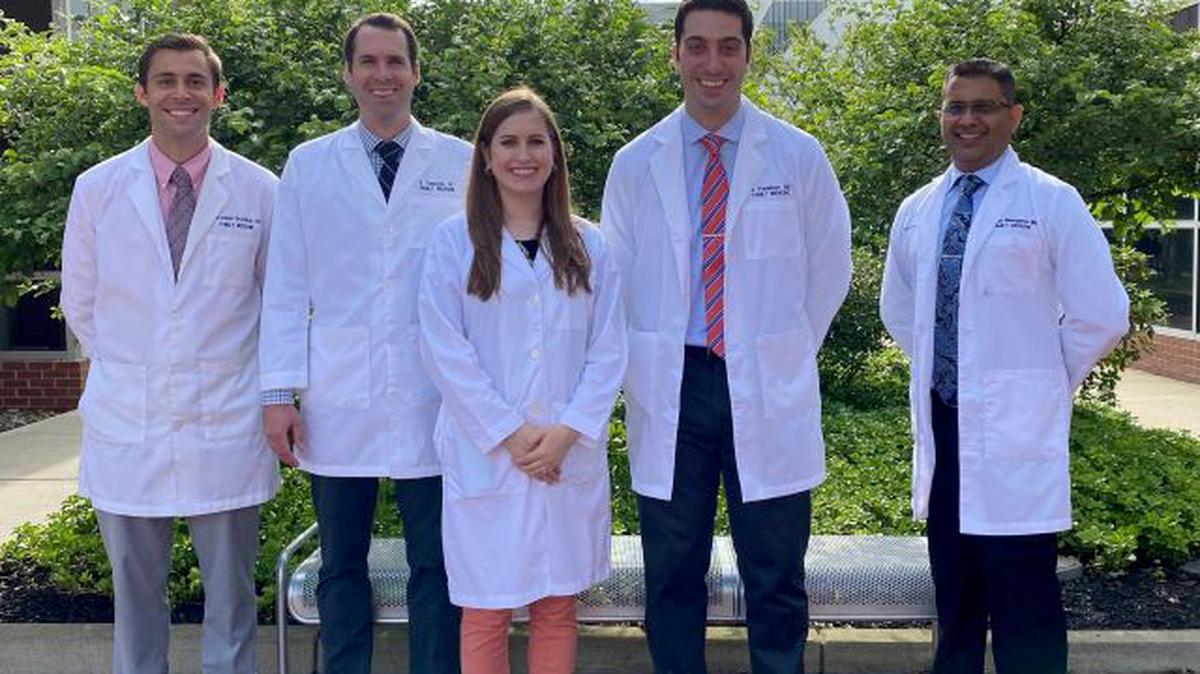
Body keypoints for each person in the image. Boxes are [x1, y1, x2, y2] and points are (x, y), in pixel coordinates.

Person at [600, 0, 851, 670]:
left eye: (728, 46)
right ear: (676, 54)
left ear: (747, 54)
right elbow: (615, 282)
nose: (713, 63)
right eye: (698, 46)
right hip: (671, 385)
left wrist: (780, 351)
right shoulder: (635, 163)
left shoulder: (797, 155)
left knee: (775, 570)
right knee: (672, 570)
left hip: (765, 383)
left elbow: (830, 269)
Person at [880, 58, 1130, 673]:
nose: (968, 119)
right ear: (942, 116)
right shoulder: (918, 207)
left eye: (984, 107)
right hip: (944, 423)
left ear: (1013, 117)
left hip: (1016, 431)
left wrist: (1037, 382)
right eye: (956, 107)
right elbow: (900, 308)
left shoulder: (1051, 200)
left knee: (1025, 607)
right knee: (956, 600)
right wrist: (952, 370)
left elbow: (1103, 314)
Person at [257, 12, 471, 674]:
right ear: (348, 74)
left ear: (416, 72)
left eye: (395, 61)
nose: (383, 75)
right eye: (369, 62)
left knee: (437, 562)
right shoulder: (309, 164)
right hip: (338, 392)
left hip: (435, 392)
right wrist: (278, 393)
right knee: (341, 563)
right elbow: (285, 287)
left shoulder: (460, 162)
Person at [60, 33, 279, 674]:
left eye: (194, 81)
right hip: (129, 418)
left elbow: (278, 302)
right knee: (135, 598)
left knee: (232, 599)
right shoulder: (98, 188)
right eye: (166, 81)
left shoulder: (260, 190)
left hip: (226, 420)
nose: (181, 93)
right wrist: (141, 365)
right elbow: (82, 302)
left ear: (218, 94)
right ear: (142, 93)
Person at [417, 86, 626, 674]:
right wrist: (511, 434)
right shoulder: (452, 243)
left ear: (555, 154)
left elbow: (609, 350)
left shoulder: (589, 245)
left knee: (557, 606)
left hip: (566, 453)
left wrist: (566, 433)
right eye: (508, 142)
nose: (523, 155)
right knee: (485, 609)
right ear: (486, 156)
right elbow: (444, 351)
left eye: (537, 141)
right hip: (488, 452)